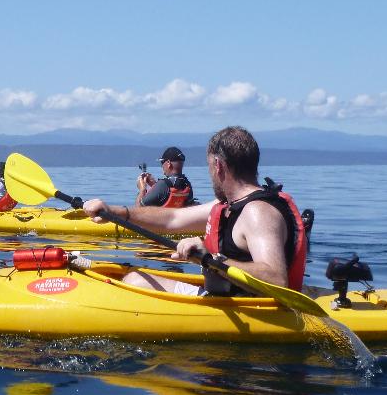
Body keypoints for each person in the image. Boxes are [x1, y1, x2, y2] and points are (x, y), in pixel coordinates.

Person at [84, 126, 308, 296]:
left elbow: (276, 279)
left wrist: (209, 258)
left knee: (134, 283)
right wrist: (114, 212)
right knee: (135, 278)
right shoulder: (226, 205)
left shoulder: (258, 212)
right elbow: (172, 218)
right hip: (221, 298)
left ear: (218, 165)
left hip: (247, 308)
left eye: (209, 166)